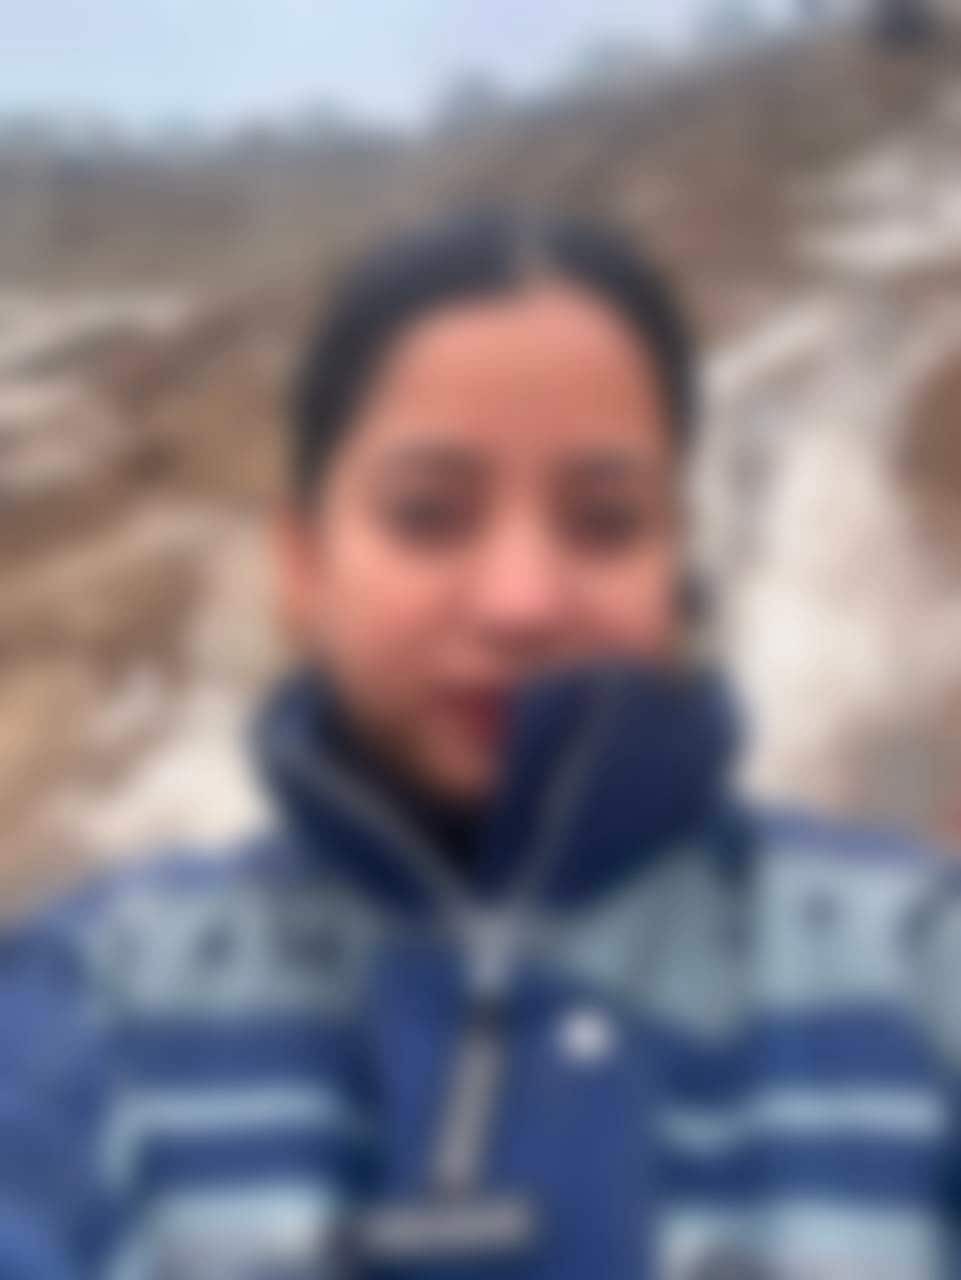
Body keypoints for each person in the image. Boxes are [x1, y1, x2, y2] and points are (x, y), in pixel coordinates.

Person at [1, 208, 960, 1280]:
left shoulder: (919, 967)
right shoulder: (95, 999)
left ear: (677, 565)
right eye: (428, 514)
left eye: (603, 522)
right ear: (302, 567)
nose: (519, 601)